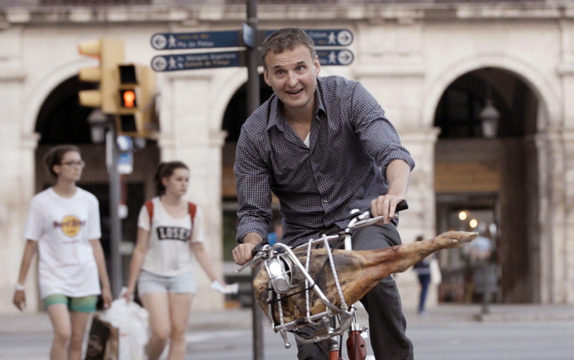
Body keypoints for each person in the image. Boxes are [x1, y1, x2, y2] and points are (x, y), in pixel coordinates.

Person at [232, 28, 415, 360]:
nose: (292, 80)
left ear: (316, 65)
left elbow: (392, 152)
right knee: (307, 331)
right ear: (267, 77)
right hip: (306, 238)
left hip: (365, 220)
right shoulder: (255, 133)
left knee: (374, 274)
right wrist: (249, 240)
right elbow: (253, 210)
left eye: (300, 68)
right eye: (281, 72)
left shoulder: (348, 97)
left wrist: (394, 192)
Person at [123, 161, 232, 360]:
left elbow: (198, 248)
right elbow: (140, 249)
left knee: (179, 333)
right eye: (179, 179)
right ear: (165, 181)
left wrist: (215, 278)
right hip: (152, 275)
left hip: (182, 276)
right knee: (161, 332)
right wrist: (130, 286)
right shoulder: (150, 209)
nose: (184, 184)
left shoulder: (193, 211)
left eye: (187, 180)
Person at [12, 145, 112, 360]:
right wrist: (20, 286)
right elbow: (31, 245)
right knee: (63, 333)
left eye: (79, 163)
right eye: (71, 163)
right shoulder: (41, 202)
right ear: (57, 168)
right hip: (53, 277)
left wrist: (105, 285)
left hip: (84, 276)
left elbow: (95, 244)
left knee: (77, 339)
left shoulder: (89, 201)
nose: (77, 167)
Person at [412, 236, 431, 314]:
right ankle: (421, 307)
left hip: (419, 272)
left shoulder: (415, 249)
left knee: (423, 289)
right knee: (424, 290)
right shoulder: (425, 248)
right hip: (426, 271)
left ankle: (421, 307)